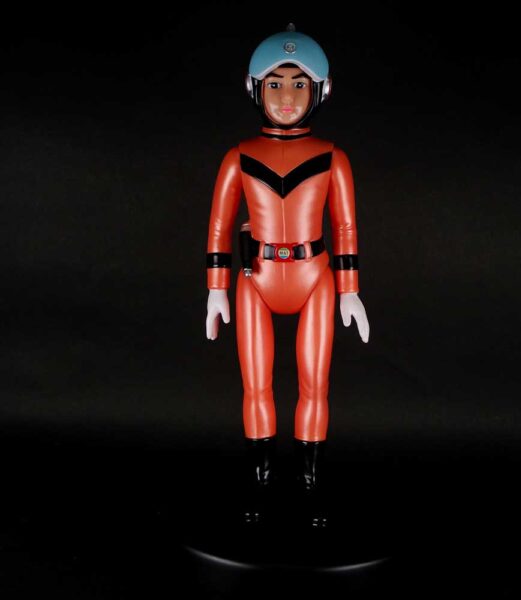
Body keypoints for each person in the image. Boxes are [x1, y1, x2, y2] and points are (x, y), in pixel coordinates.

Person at [205, 24, 369, 526]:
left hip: (314, 276)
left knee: (314, 385)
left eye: (299, 83)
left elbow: (345, 227)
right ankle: (260, 482)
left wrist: (350, 291)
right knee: (256, 386)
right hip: (255, 278)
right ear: (254, 87)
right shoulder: (238, 156)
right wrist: (216, 289)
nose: (287, 96)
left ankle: (309, 483)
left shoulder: (333, 157)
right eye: (275, 83)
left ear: (321, 90)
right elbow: (219, 226)